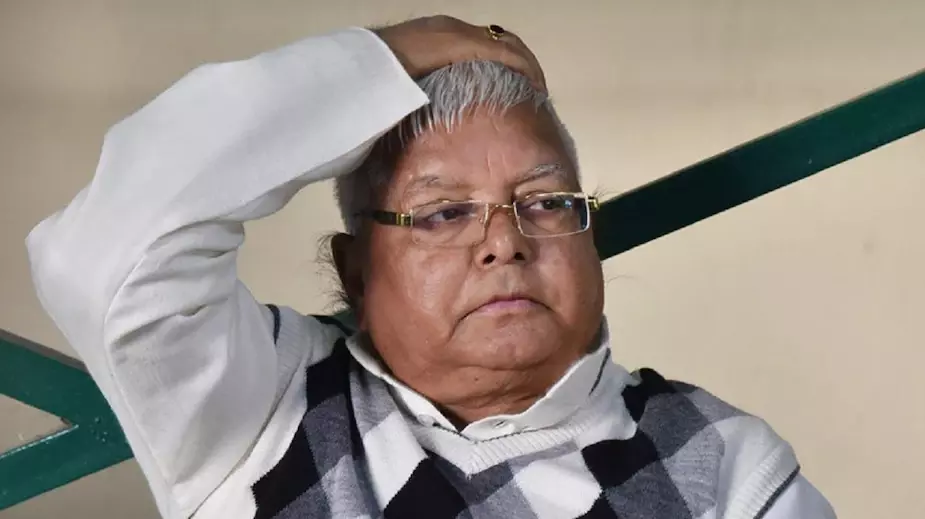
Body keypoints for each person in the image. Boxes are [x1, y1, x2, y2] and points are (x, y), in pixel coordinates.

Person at [27, 15, 837, 519]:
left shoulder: (715, 458)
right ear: (355, 269)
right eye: (444, 212)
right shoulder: (265, 412)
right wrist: (387, 58)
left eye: (543, 201)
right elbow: (104, 247)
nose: (503, 242)